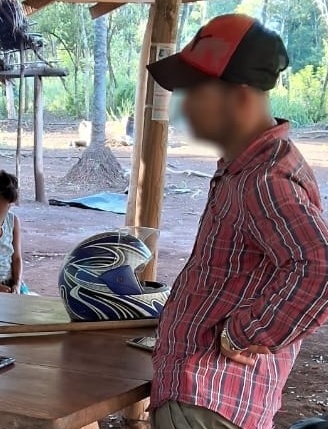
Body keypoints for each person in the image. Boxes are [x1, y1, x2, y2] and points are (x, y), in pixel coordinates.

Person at [146, 14, 328, 429]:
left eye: (194, 92)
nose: (183, 105)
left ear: (241, 98)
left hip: (208, 402)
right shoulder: (246, 169)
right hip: (207, 398)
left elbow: (320, 267)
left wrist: (244, 334)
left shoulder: (264, 179)